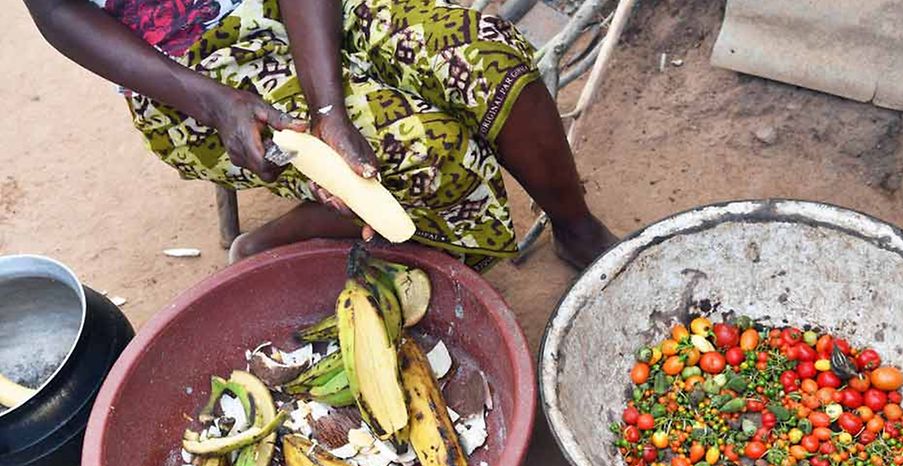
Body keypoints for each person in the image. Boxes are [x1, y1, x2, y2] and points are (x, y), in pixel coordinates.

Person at [24, 0, 618, 272]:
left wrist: (327, 106)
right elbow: (59, 12)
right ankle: (271, 245)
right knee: (424, 152)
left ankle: (575, 225)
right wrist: (215, 101)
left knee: (487, 58)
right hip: (182, 74)